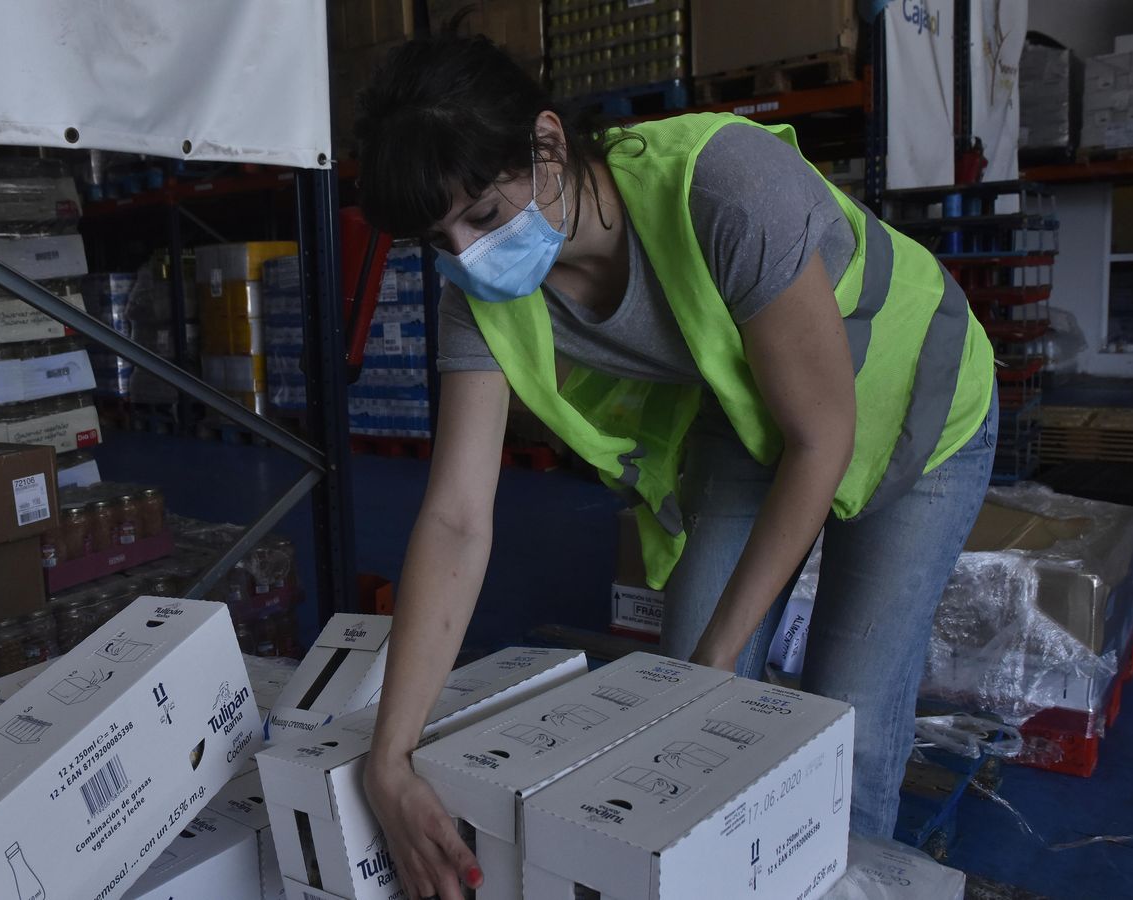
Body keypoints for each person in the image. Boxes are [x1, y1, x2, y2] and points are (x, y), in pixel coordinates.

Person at [352, 31, 998, 900]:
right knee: (679, 676)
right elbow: (458, 517)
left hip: (919, 408)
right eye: (441, 238)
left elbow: (824, 440)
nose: (467, 254)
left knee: (848, 711)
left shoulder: (726, 187)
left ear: (546, 146)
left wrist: (723, 658)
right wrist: (389, 759)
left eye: (483, 214)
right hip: (753, 421)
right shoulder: (480, 300)